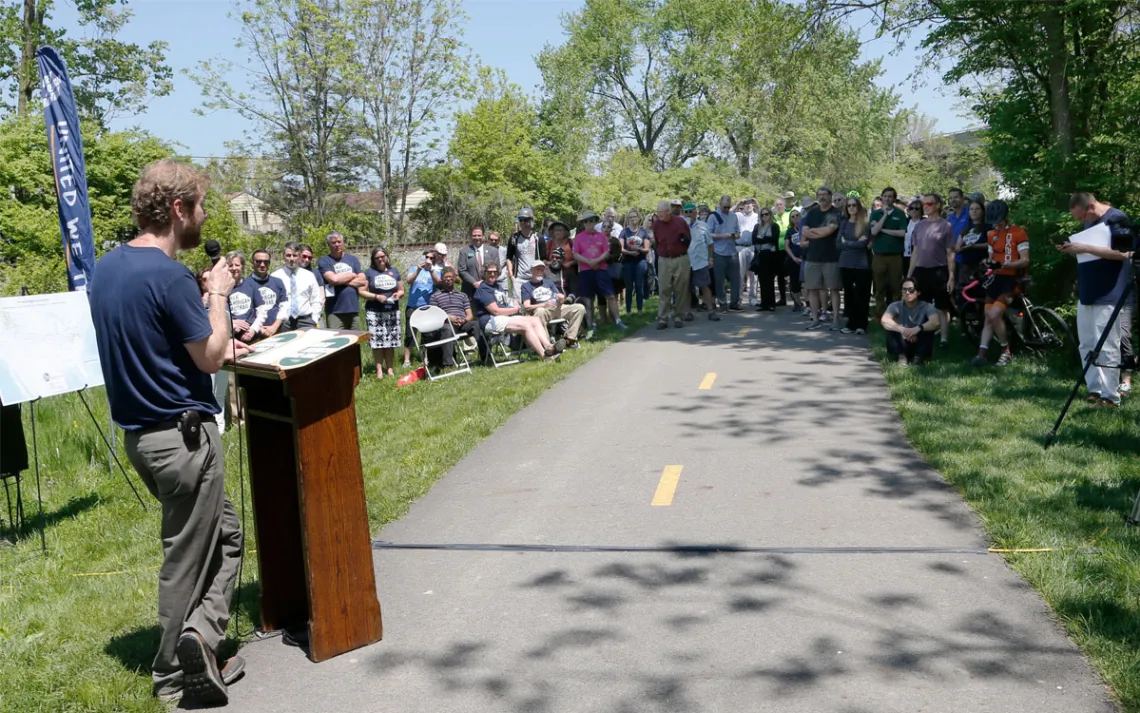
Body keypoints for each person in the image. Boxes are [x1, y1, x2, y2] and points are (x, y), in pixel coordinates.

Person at [89, 159, 251, 706]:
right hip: (182, 438)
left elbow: (156, 341)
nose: (204, 215)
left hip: (141, 436)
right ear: (179, 210)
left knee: (225, 532)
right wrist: (219, 294)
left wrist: (199, 307)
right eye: (201, 206)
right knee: (185, 553)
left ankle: (199, 639)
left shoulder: (108, 270)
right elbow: (208, 358)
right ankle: (175, 671)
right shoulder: (170, 275)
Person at [1061, 192, 1136, 408]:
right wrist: (1072, 251)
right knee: (1087, 343)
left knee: (1108, 345)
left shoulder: (1117, 219)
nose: (1081, 222)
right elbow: (1091, 254)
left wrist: (1084, 248)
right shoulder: (1090, 222)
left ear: (1091, 207)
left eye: (1081, 217)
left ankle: (1110, 397)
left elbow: (1125, 253)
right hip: (1087, 291)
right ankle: (1094, 388)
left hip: (1110, 291)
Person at [969, 200, 1029, 367]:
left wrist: (1004, 265)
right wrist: (987, 263)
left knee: (995, 314)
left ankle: (1006, 352)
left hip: (1013, 280)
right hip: (996, 279)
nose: (997, 223)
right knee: (988, 316)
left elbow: (1025, 260)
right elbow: (991, 257)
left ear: (1005, 217)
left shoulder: (1019, 232)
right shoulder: (991, 235)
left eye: (999, 220)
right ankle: (981, 355)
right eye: (994, 220)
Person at [473, 263, 561, 360]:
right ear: (484, 273)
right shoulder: (483, 289)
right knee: (526, 325)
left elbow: (505, 302)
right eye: (489, 272)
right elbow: (496, 311)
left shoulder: (498, 287)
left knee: (535, 320)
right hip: (490, 321)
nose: (493, 274)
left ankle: (549, 346)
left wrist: (513, 303)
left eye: (495, 272)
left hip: (504, 317)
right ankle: (545, 355)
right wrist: (515, 309)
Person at [907, 193, 955, 346]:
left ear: (939, 206)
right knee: (920, 305)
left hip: (939, 271)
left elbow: (950, 253)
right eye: (924, 204)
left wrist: (951, 276)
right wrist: (909, 275)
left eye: (929, 204)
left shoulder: (945, 226)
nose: (925, 207)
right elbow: (915, 251)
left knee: (942, 307)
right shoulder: (919, 225)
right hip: (921, 270)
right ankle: (921, 336)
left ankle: (944, 338)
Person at [573, 209, 627, 331]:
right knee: (588, 299)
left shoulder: (601, 236)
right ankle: (592, 324)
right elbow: (576, 254)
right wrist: (589, 262)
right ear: (584, 223)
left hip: (601, 270)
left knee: (611, 296)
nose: (590, 223)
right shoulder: (578, 238)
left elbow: (607, 252)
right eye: (587, 221)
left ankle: (618, 321)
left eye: (592, 220)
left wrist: (596, 261)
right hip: (586, 271)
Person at [359, 246, 403, 378]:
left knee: (390, 342)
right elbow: (361, 291)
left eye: (382, 257)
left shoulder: (394, 271)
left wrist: (397, 295)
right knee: (377, 343)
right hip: (374, 311)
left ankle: (389, 369)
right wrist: (376, 297)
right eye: (377, 258)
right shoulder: (369, 272)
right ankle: (379, 370)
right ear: (373, 259)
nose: (380, 259)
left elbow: (401, 290)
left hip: (392, 311)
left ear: (386, 257)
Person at [801, 186, 842, 330]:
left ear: (830, 196)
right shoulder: (812, 213)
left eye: (825, 194)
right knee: (812, 289)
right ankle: (815, 318)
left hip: (831, 257)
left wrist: (813, 232)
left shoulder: (836, 213)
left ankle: (836, 319)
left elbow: (829, 230)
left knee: (834, 289)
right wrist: (815, 232)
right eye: (820, 194)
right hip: (812, 257)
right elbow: (804, 231)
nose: (822, 197)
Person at [522, 261, 586, 347]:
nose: (540, 272)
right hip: (543, 311)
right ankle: (547, 345)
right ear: (531, 271)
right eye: (537, 270)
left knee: (579, 308)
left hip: (557, 308)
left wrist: (561, 299)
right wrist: (543, 305)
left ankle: (569, 339)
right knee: (540, 311)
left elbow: (559, 299)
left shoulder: (549, 282)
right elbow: (526, 307)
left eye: (541, 270)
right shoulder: (526, 286)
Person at [650, 199, 693, 329]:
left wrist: (682, 240)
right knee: (664, 289)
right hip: (664, 259)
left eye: (661, 212)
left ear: (668, 212)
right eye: (658, 212)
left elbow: (688, 239)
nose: (659, 215)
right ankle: (663, 318)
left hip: (680, 258)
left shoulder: (680, 222)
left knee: (681, 289)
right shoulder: (656, 224)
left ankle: (678, 316)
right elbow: (657, 241)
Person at [427, 266, 480, 368]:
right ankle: (448, 364)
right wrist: (447, 317)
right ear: (442, 279)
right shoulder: (435, 296)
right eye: (445, 277)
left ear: (455, 278)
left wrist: (463, 320)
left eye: (451, 277)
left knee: (477, 324)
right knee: (447, 328)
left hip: (462, 324)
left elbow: (470, 315)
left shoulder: (462, 295)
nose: (448, 279)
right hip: (446, 325)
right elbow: (434, 315)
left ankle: (484, 355)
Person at [881, 277, 940, 367]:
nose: (907, 293)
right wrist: (902, 330)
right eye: (904, 290)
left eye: (911, 290)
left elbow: (936, 322)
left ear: (918, 292)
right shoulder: (895, 305)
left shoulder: (927, 306)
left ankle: (918, 358)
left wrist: (917, 329)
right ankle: (901, 357)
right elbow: (884, 320)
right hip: (902, 341)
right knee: (890, 327)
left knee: (928, 328)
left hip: (919, 341)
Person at [869, 187, 907, 318]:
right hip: (879, 256)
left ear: (894, 198)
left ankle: (895, 313)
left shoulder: (900, 213)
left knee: (895, 287)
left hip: (895, 256)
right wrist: (885, 215)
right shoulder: (875, 214)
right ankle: (880, 313)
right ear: (882, 197)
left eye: (890, 196)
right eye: (885, 196)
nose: (887, 198)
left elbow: (902, 233)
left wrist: (883, 230)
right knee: (879, 287)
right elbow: (873, 232)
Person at [403, 247, 443, 367]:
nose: (428, 259)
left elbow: (438, 282)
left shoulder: (435, 271)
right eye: (426, 257)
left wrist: (430, 270)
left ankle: (426, 358)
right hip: (412, 305)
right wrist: (419, 270)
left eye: (431, 258)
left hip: (427, 306)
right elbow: (409, 281)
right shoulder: (414, 268)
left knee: (427, 334)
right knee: (410, 334)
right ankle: (406, 360)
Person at [318, 232, 366, 330]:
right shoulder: (324, 261)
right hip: (334, 311)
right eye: (333, 242)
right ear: (329, 245)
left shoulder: (353, 260)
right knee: (337, 342)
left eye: (339, 242)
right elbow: (333, 279)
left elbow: (362, 281)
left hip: (353, 309)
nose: (337, 245)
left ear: (343, 243)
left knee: (355, 342)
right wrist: (352, 275)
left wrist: (340, 280)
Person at [838, 196, 872, 334]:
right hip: (845, 264)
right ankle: (850, 324)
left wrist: (847, 243)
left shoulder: (864, 224)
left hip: (862, 265)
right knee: (849, 295)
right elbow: (838, 243)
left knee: (862, 295)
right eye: (849, 206)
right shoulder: (844, 223)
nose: (851, 208)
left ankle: (861, 325)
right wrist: (853, 243)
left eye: (854, 205)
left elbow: (863, 245)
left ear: (858, 207)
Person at [272, 242, 323, 331]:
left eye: (294, 255)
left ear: (299, 257)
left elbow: (316, 300)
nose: (291, 259)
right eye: (288, 255)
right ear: (283, 256)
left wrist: (314, 319)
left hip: (306, 321)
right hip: (284, 322)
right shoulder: (275, 276)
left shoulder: (309, 275)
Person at [684, 203, 719, 321]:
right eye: (686, 212)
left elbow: (710, 244)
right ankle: (688, 312)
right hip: (686, 262)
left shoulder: (704, 225)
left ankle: (711, 310)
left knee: (704, 286)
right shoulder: (682, 226)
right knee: (687, 288)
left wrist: (711, 258)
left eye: (691, 211)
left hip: (701, 261)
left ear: (696, 212)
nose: (688, 214)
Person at [507, 206, 550, 301]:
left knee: (536, 304)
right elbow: (509, 257)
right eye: (520, 220)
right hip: (519, 279)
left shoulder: (539, 238)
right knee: (519, 306)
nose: (522, 223)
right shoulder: (514, 238)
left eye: (525, 220)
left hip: (535, 278)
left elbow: (543, 259)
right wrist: (511, 275)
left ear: (531, 220)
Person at [708, 194, 742, 312]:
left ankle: (735, 303)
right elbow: (708, 234)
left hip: (732, 252)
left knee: (736, 279)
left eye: (728, 207)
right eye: (725, 207)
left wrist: (735, 235)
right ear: (720, 204)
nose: (727, 209)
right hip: (719, 252)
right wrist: (723, 236)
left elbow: (738, 232)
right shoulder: (713, 216)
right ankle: (722, 304)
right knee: (719, 280)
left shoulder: (734, 216)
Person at [247, 249, 287, 339]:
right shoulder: (245, 285)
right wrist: (259, 328)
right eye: (258, 261)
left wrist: (274, 327)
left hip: (278, 331)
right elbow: (245, 313)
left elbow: (284, 307)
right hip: (255, 334)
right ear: (252, 262)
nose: (262, 264)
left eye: (266, 262)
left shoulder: (278, 282)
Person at [226, 251, 263, 343]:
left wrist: (253, 329)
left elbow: (262, 311)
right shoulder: (222, 288)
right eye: (230, 265)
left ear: (242, 267)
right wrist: (232, 323)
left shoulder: (252, 284)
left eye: (237, 265)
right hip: (231, 338)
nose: (234, 268)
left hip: (252, 335)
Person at [954, 198, 991, 289]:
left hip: (982, 267)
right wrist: (961, 248)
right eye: (971, 209)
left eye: (977, 209)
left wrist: (975, 246)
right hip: (966, 267)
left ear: (982, 211)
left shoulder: (988, 228)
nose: (974, 211)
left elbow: (991, 244)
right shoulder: (965, 230)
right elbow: (957, 248)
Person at [619, 209, 650, 314]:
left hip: (640, 261)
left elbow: (647, 249)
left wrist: (638, 249)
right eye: (631, 217)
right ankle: (628, 311)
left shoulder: (643, 232)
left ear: (638, 218)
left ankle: (640, 310)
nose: (633, 219)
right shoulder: (624, 232)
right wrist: (630, 252)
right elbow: (621, 248)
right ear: (628, 219)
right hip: (628, 262)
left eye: (635, 217)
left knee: (639, 285)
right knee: (628, 287)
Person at [752, 206, 782, 311]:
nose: (765, 216)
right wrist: (765, 240)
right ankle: (764, 303)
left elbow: (774, 239)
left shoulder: (774, 226)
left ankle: (771, 304)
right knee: (762, 280)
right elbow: (754, 239)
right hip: (760, 255)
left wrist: (762, 239)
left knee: (770, 279)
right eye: (762, 214)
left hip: (771, 255)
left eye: (766, 214)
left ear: (770, 215)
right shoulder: (757, 227)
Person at [457, 226, 498, 299]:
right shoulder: (464, 252)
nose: (477, 237)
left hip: (489, 289)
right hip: (470, 291)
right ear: (471, 237)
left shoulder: (493, 251)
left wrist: (483, 282)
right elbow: (462, 270)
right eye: (474, 235)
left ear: (483, 236)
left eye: (479, 235)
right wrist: (474, 283)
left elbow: (498, 269)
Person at [736, 198, 759, 306]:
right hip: (740, 247)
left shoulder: (756, 216)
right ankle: (738, 298)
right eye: (745, 203)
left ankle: (753, 298)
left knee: (754, 274)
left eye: (750, 203)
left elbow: (766, 212)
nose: (748, 205)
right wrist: (737, 204)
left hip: (752, 247)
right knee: (740, 275)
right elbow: (728, 213)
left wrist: (756, 202)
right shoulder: (738, 215)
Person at [548, 223, 578, 298]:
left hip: (570, 276)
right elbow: (544, 259)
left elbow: (579, 259)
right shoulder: (549, 243)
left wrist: (571, 263)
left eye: (560, 230)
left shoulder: (571, 243)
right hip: (553, 276)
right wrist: (551, 263)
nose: (558, 232)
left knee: (571, 296)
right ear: (552, 232)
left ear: (566, 232)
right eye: (556, 230)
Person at [784, 208, 805, 312]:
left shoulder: (805, 228)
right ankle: (797, 303)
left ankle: (809, 303)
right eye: (793, 216)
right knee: (794, 282)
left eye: (797, 215)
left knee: (806, 283)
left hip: (805, 259)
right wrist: (793, 258)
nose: (795, 218)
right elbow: (787, 246)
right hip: (793, 259)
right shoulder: (790, 231)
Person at [903, 199, 922, 276]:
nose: (913, 210)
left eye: (917, 208)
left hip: (918, 256)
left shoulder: (924, 223)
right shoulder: (905, 221)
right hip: (903, 255)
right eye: (911, 208)